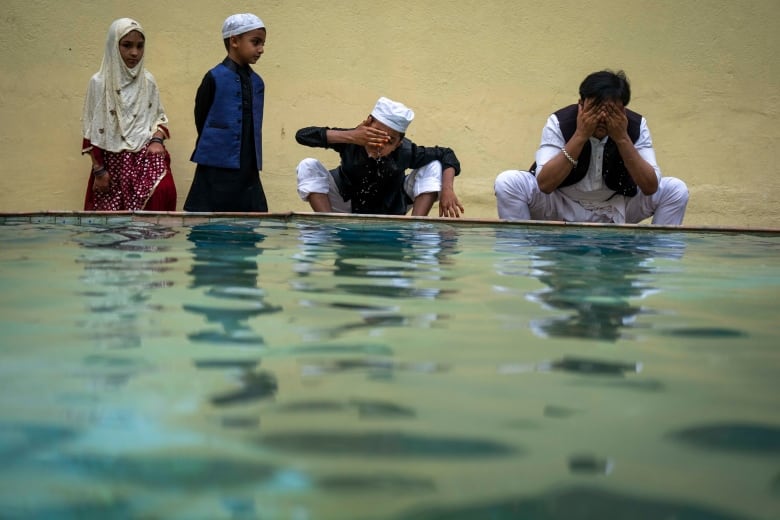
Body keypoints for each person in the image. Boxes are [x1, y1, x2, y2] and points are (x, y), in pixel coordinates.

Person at [494, 70, 688, 225]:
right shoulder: (560, 122)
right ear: (581, 104)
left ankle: (661, 260)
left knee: (675, 190)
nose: (602, 117)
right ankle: (518, 254)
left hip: (617, 206)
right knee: (508, 182)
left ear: (623, 110)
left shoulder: (636, 126)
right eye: (595, 108)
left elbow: (650, 186)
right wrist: (580, 135)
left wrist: (622, 138)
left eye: (611, 110)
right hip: (561, 204)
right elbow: (545, 184)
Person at [295, 97, 465, 217]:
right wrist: (352, 136)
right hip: (345, 203)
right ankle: (327, 224)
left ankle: (417, 228)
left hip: (391, 208)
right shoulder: (352, 139)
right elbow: (302, 135)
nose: (379, 145)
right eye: (374, 136)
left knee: (434, 166)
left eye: (388, 141)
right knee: (307, 165)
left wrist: (447, 190)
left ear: (398, 143)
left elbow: (446, 154)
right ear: (367, 124)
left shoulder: (405, 151)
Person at [81, 18, 177, 211]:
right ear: (113, 46)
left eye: (140, 46)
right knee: (113, 229)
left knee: (163, 192)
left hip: (143, 155)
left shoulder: (147, 81)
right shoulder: (99, 83)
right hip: (110, 162)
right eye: (127, 45)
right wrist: (99, 170)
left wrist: (157, 140)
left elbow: (158, 118)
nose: (134, 53)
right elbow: (91, 129)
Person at [184, 13, 268, 212]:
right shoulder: (214, 77)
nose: (261, 49)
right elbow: (202, 119)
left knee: (250, 225)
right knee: (209, 225)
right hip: (216, 168)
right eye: (255, 42)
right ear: (234, 41)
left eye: (263, 43)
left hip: (248, 168)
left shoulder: (257, 82)